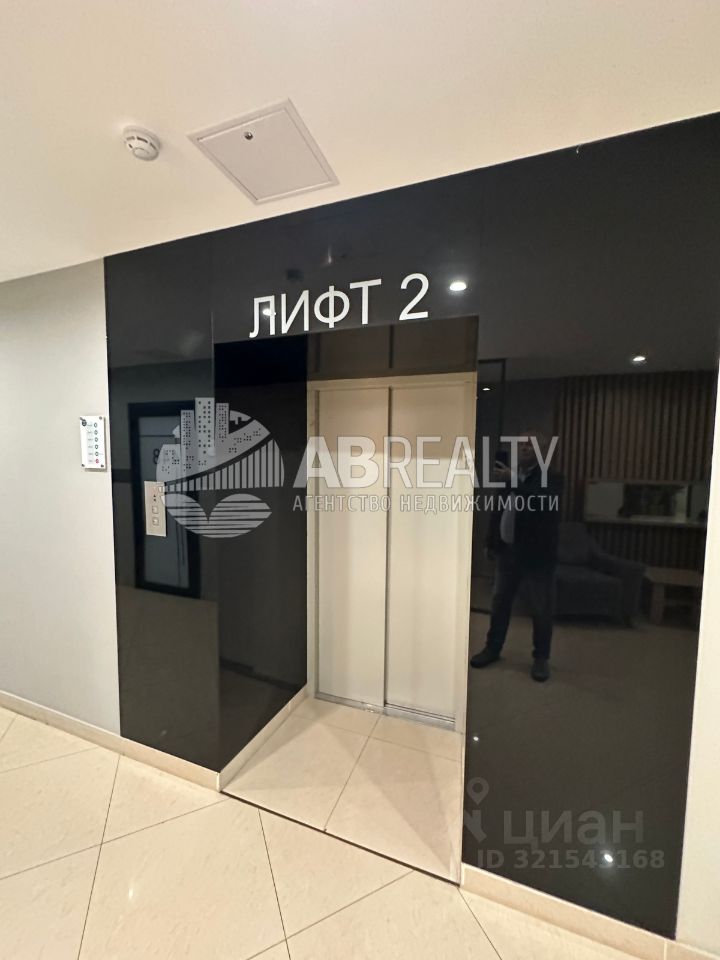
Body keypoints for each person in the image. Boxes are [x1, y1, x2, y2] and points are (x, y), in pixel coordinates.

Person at [470, 430, 563, 682]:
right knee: (499, 604)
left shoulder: (551, 478)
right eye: (520, 444)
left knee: (541, 609)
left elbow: (541, 505)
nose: (523, 448)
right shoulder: (508, 475)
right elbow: (498, 510)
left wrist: (513, 481)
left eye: (529, 445)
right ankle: (492, 648)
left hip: (537, 557)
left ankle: (541, 658)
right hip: (507, 553)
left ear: (542, 451)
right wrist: (491, 541)